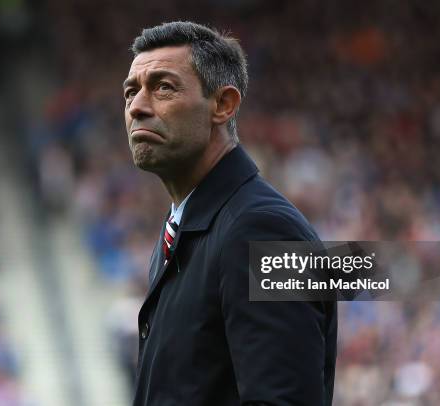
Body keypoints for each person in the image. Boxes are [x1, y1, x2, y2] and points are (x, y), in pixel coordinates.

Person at [123, 21, 337, 406]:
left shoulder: (265, 231)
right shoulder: (186, 228)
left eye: (163, 87)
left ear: (223, 105)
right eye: (131, 92)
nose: (137, 106)